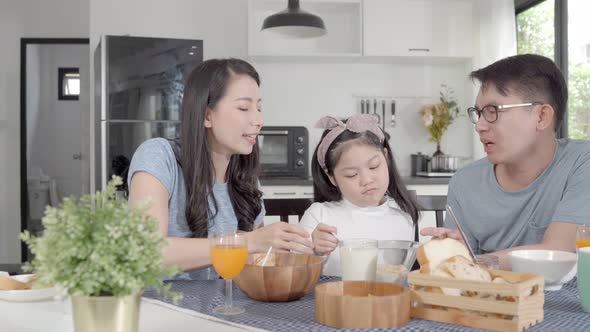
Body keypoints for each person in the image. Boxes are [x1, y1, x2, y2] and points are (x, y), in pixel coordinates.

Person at [127, 58, 313, 280]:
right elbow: (146, 252)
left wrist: (307, 248)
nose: (259, 119)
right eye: (244, 107)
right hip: (163, 308)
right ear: (207, 116)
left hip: (227, 307)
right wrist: (249, 241)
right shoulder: (158, 157)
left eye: (259, 108)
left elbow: (254, 262)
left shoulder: (246, 178)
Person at [421, 54, 590, 269]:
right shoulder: (465, 182)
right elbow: (463, 272)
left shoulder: (582, 162)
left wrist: (474, 262)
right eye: (479, 113)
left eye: (493, 112)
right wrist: (454, 250)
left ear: (541, 117)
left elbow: (558, 252)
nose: (480, 126)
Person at [299, 114, 419, 276]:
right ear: (331, 176)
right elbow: (293, 272)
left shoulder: (404, 215)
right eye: (351, 174)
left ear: (386, 157)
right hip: (335, 300)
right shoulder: (319, 215)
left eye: (374, 166)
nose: (367, 180)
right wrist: (313, 251)